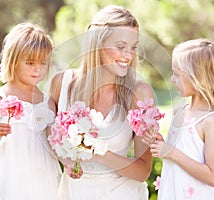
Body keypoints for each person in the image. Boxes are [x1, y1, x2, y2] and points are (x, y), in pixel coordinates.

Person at [48, 5, 155, 200]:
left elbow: (143, 171)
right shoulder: (61, 84)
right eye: (121, 46)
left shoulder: (139, 92)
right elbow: (45, 131)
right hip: (72, 193)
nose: (128, 56)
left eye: (133, 47)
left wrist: (97, 151)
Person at [0, 22, 62, 200]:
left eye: (43, 63)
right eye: (30, 62)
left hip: (40, 175)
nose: (38, 68)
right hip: (7, 172)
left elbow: (53, 139)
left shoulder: (48, 102)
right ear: (13, 60)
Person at [142, 38, 214, 199]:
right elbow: (183, 147)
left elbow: (213, 176)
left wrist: (171, 152)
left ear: (198, 78)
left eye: (177, 74)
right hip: (175, 190)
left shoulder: (212, 120)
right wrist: (162, 143)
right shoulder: (180, 109)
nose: (172, 79)